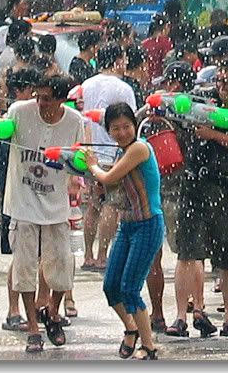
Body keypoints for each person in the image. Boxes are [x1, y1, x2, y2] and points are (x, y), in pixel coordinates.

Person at [169, 57, 228, 339]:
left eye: (227, 81)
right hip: (196, 183)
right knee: (188, 252)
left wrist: (213, 134)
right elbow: (180, 112)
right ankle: (180, 317)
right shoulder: (206, 101)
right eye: (218, 80)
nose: (220, 86)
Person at [2, 75, 84, 352]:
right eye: (37, 96)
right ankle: (33, 328)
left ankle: (52, 311)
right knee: (24, 267)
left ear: (61, 99)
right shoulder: (18, 112)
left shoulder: (74, 122)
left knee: (62, 266)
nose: (40, 103)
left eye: (47, 98)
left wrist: (78, 179)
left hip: (56, 205)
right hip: (22, 204)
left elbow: (78, 162)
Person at [81, 102, 164, 360]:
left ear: (135, 126)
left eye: (126, 126)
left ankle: (149, 347)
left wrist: (93, 166)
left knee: (129, 288)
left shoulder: (139, 148)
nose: (121, 132)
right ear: (108, 130)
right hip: (127, 226)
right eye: (115, 128)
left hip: (148, 225)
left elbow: (107, 178)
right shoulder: (121, 152)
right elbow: (113, 188)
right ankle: (131, 328)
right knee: (111, 286)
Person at [139, 61, 197, 334]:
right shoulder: (193, 113)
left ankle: (163, 313)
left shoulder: (152, 114)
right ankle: (186, 311)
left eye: (168, 83)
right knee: (186, 256)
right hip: (178, 193)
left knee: (159, 256)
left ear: (175, 85)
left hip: (155, 194)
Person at [81, 43, 137, 270]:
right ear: (116, 61)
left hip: (88, 151)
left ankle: (87, 254)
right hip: (111, 153)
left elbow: (82, 118)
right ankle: (103, 256)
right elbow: (130, 123)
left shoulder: (86, 85)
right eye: (123, 59)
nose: (125, 64)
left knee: (93, 205)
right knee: (111, 205)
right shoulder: (123, 88)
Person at [141, 13, 173, 80]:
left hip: (145, 79)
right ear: (166, 26)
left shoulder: (144, 44)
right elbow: (168, 63)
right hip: (160, 80)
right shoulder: (166, 43)